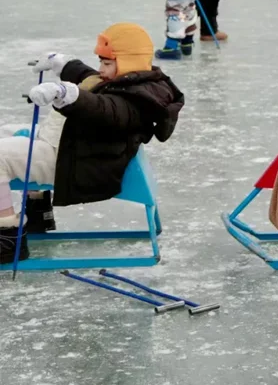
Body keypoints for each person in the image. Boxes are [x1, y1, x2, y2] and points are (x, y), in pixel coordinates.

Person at [0, 24, 183, 263]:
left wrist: (66, 93)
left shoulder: (136, 101)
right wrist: (63, 64)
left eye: (107, 63)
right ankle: (38, 212)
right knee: (10, 133)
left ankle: (7, 237)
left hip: (77, 162)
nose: (101, 69)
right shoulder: (130, 81)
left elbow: (105, 108)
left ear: (128, 63)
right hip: (72, 146)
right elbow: (90, 79)